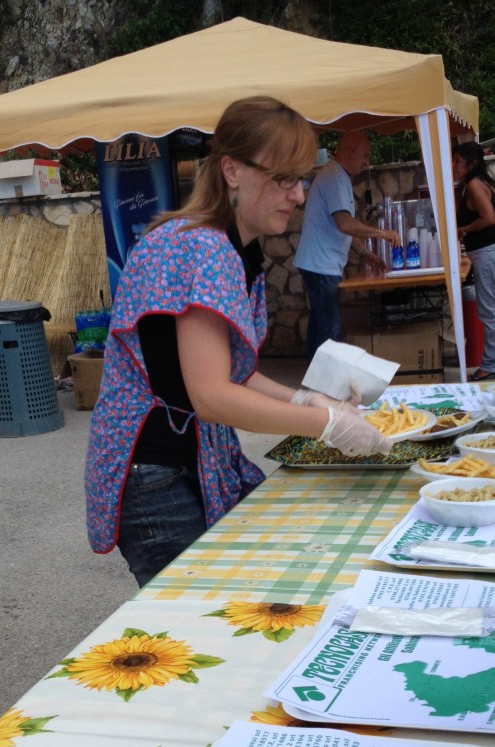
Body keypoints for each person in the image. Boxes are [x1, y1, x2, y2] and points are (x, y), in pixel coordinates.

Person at [84, 97, 392, 587]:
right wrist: (326, 423)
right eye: (284, 179)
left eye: (302, 179)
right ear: (232, 170)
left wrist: (305, 397)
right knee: (204, 613)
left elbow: (235, 371)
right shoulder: (204, 247)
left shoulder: (232, 244)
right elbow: (212, 396)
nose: (297, 195)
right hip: (156, 472)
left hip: (186, 459)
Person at [293, 131, 400, 361]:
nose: (366, 162)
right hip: (321, 264)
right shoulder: (334, 177)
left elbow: (343, 227)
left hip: (318, 263)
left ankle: (314, 381)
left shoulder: (336, 175)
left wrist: (366, 254)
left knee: (320, 323)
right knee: (329, 328)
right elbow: (345, 224)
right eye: (365, 155)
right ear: (352, 151)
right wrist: (382, 233)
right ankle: (323, 385)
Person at [452, 141, 495, 381]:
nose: (454, 166)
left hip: (489, 251)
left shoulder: (475, 186)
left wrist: (462, 230)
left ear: (472, 163)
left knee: (488, 311)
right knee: (493, 309)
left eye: (458, 161)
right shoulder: (473, 185)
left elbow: (488, 218)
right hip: (488, 251)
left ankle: (490, 364)